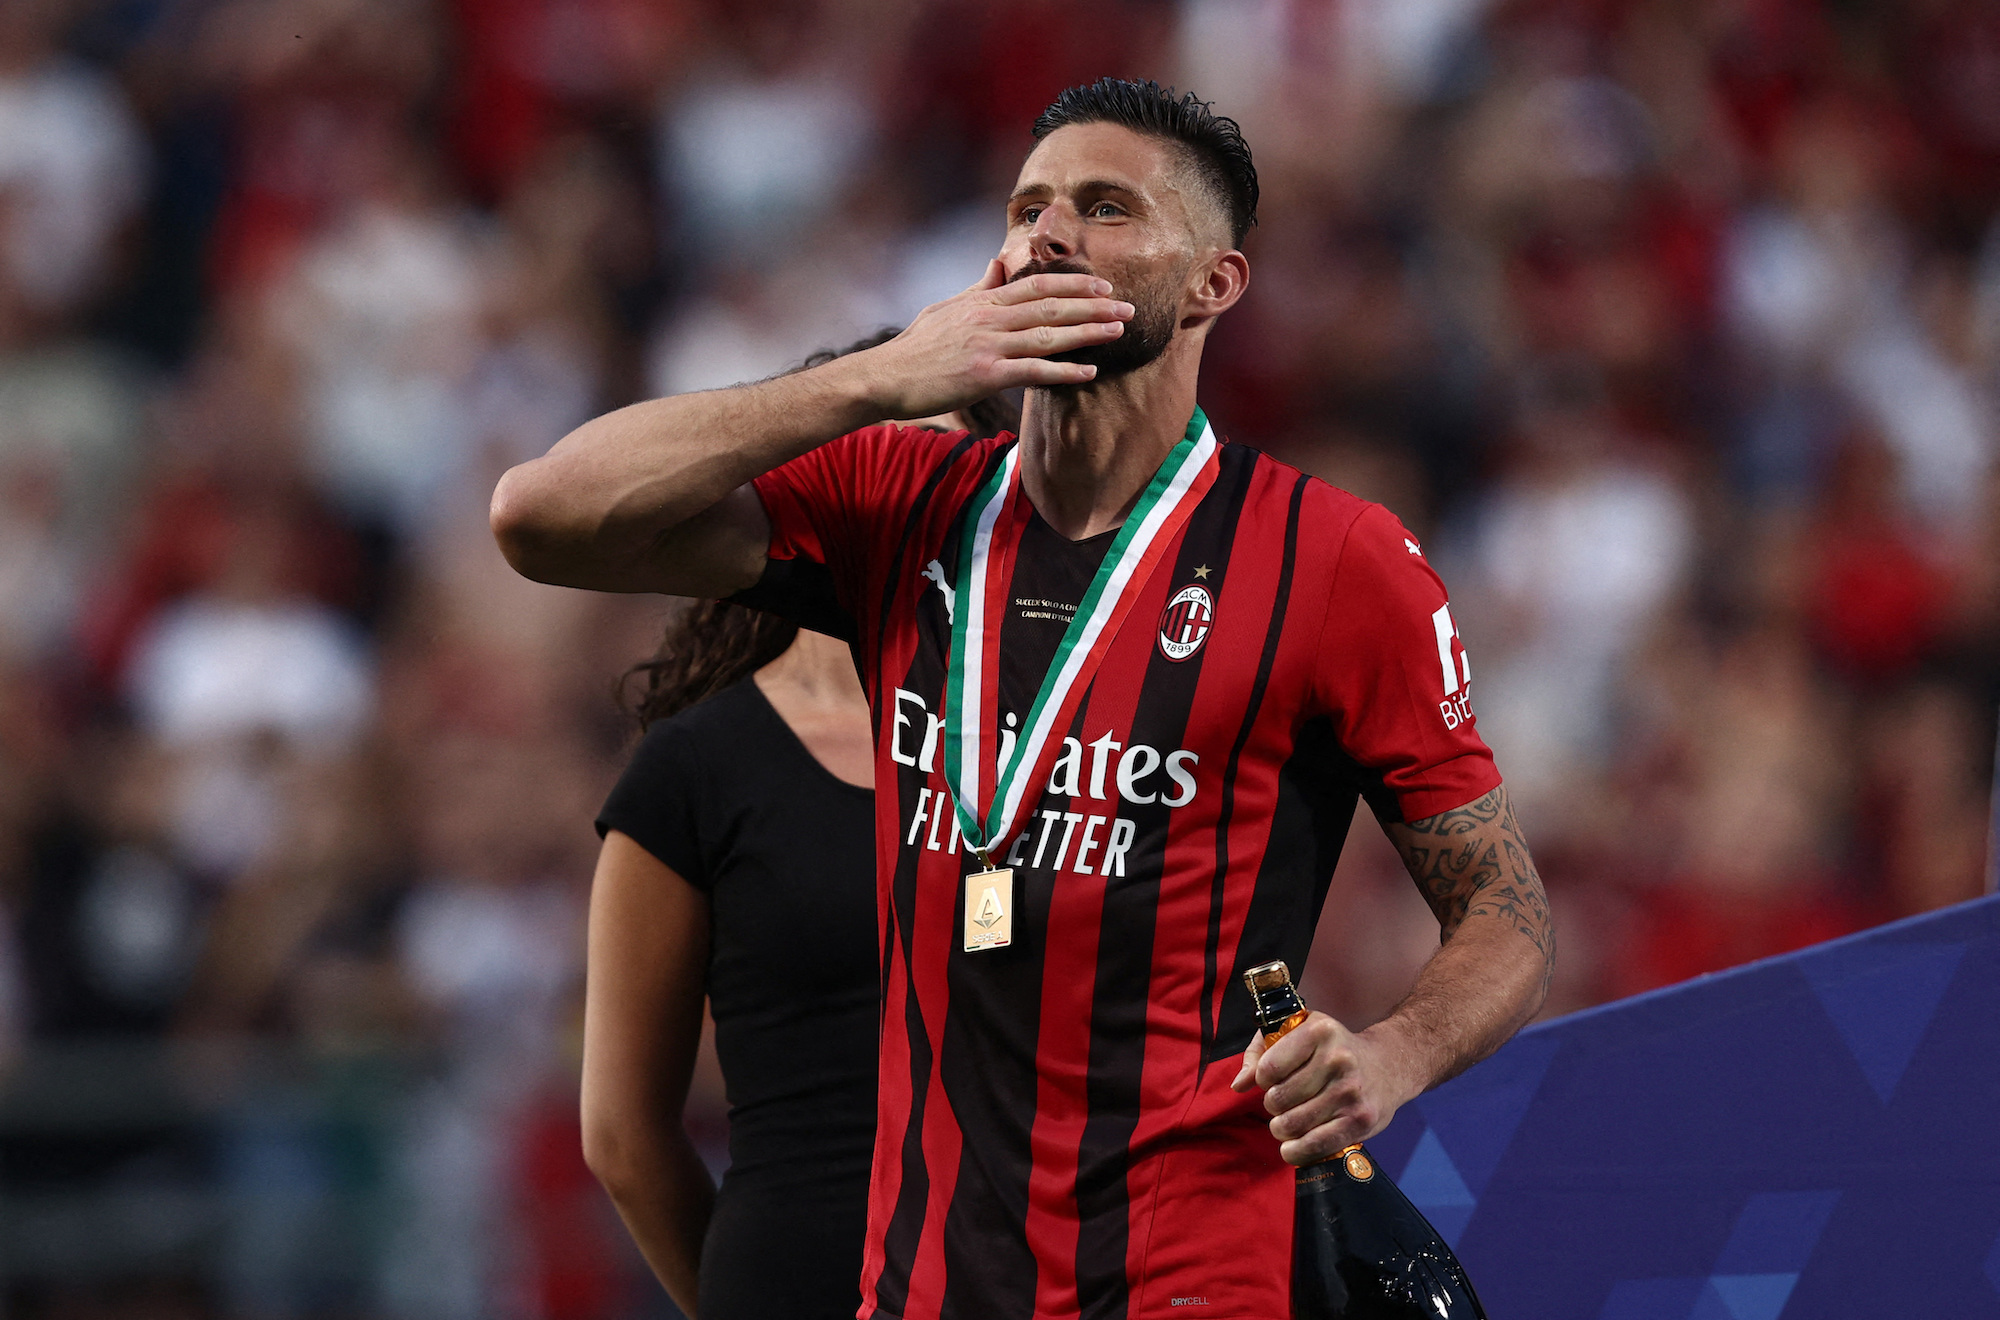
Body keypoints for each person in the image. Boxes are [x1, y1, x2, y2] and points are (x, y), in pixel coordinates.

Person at [496, 78, 1554, 1319]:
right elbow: (540, 515)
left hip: (1190, 1278)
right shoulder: (903, 500)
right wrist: (873, 378)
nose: (1047, 234)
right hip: (921, 1285)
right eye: (1027, 208)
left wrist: (1390, 1053)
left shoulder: (1333, 560)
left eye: (1105, 211)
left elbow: (1507, 908)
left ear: (1211, 285)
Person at [580, 337, 1019, 1320]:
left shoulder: (1065, 743)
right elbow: (623, 1136)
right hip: (797, 1279)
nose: (901, 501)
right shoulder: (693, 771)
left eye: (934, 472)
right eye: (871, 464)